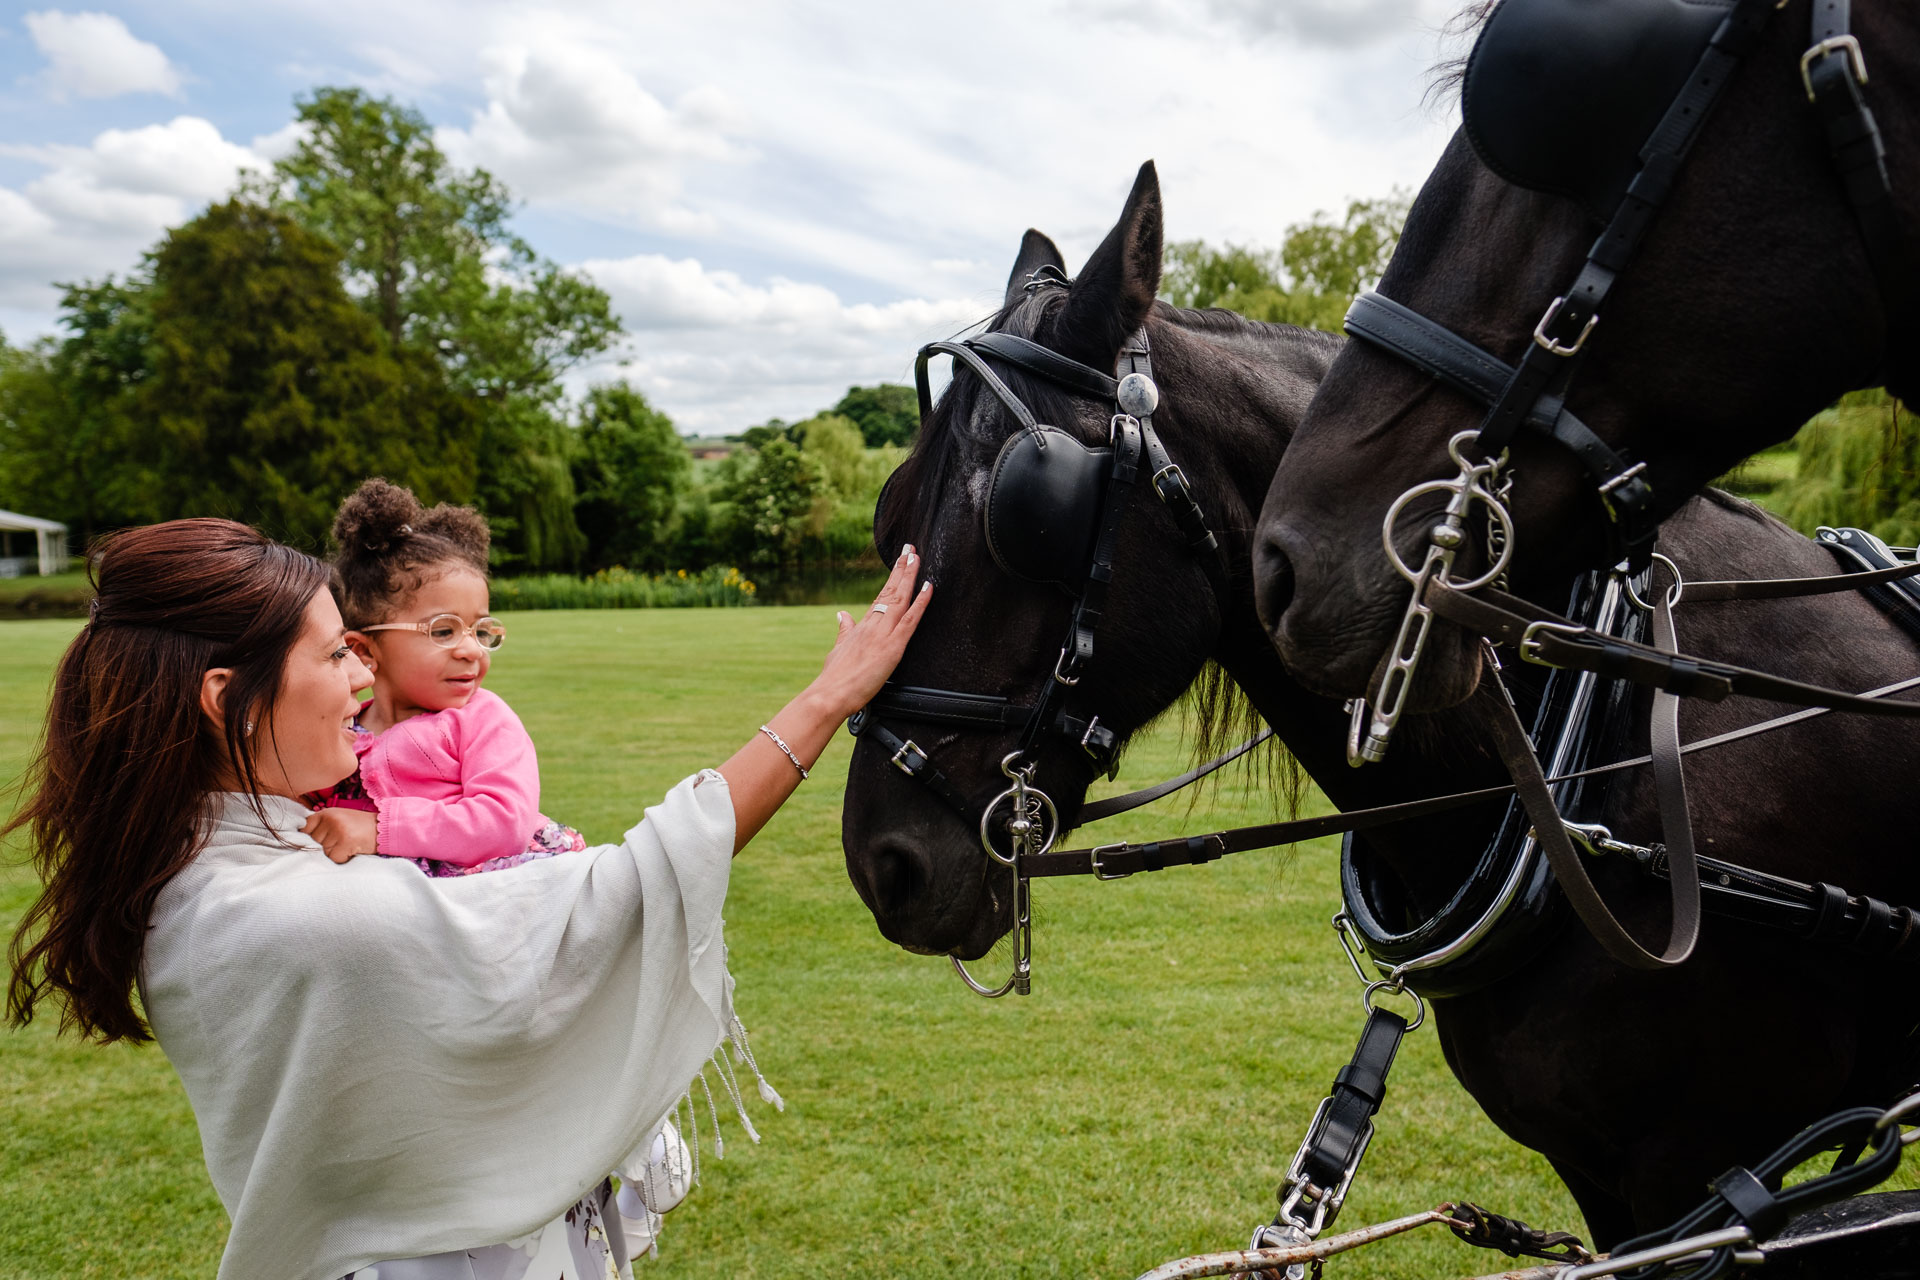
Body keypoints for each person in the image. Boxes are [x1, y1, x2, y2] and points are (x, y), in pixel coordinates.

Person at [4, 516, 931, 1280]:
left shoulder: (197, 869)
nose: (364, 679)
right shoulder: (311, 916)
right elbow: (628, 889)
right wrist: (827, 699)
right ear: (227, 699)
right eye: (335, 656)